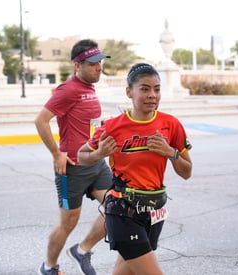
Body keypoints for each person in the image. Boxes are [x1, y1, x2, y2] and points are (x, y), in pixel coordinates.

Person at [78, 63, 193, 275]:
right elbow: (81, 156)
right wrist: (98, 154)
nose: (152, 95)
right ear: (129, 92)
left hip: (155, 211)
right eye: (145, 88)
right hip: (123, 212)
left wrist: (171, 152)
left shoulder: (171, 124)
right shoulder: (112, 127)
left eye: (157, 89)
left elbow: (187, 172)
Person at [34, 39, 112, 275]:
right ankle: (48, 267)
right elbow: (41, 120)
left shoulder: (89, 87)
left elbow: (85, 124)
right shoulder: (68, 90)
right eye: (92, 64)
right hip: (73, 168)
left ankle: (82, 250)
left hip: (96, 162)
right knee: (68, 222)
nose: (99, 67)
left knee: (119, 208)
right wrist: (56, 154)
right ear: (77, 66)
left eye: (100, 62)